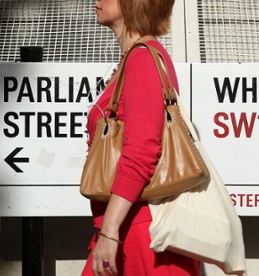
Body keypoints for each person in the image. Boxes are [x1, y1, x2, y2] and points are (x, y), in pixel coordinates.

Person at [81, 0, 201, 275]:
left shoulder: (143, 59)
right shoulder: (135, 59)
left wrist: (109, 231)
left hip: (143, 236)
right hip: (130, 228)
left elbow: (142, 152)